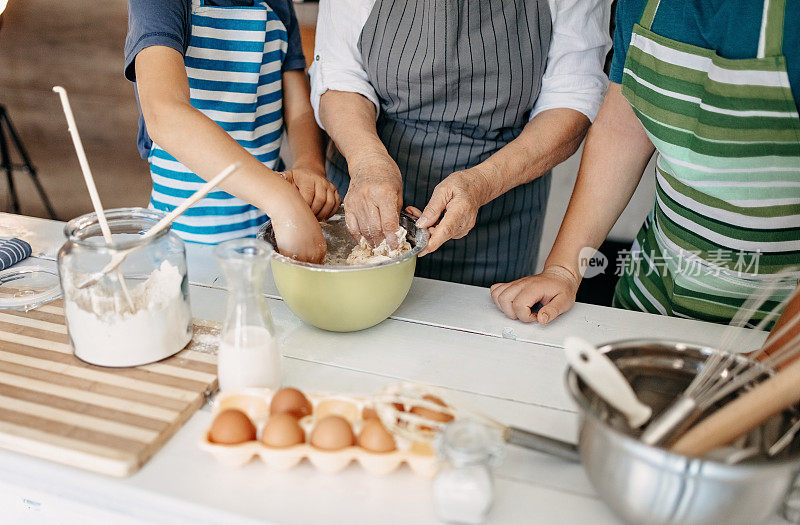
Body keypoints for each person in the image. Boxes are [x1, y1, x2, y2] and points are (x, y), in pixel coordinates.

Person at [492, 0, 800, 327]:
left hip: (776, 331)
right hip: (650, 300)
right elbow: (622, 128)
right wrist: (563, 270)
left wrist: (776, 355)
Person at [309, 0, 611, 286]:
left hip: (498, 210)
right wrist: (368, 162)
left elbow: (572, 97)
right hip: (366, 191)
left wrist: (483, 183)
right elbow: (340, 75)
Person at [124, 0, 340, 261]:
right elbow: (164, 113)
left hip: (269, 233)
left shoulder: (279, 6)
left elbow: (300, 111)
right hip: (184, 240)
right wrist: (282, 198)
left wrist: (309, 165)